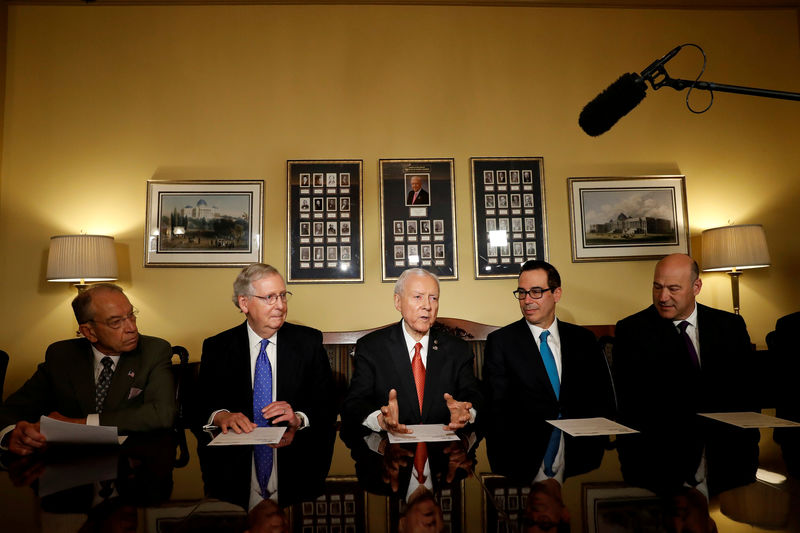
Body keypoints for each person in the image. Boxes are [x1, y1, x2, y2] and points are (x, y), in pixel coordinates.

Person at [0, 283, 176, 456]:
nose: (132, 328)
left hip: (133, 466)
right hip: (70, 469)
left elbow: (161, 413)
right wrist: (10, 435)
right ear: (89, 332)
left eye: (131, 315)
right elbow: (11, 410)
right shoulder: (62, 355)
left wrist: (77, 423)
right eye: (116, 322)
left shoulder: (154, 350)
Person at [613, 253, 755, 429]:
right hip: (664, 441)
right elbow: (632, 404)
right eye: (657, 287)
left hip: (724, 441)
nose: (663, 297)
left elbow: (748, 391)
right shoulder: (631, 331)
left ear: (696, 287)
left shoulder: (731, 326)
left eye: (673, 289)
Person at [198, 263, 336, 435]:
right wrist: (220, 416)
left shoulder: (308, 342)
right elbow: (199, 404)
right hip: (237, 453)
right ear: (244, 303)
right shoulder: (217, 347)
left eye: (283, 296)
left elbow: (328, 404)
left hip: (292, 450)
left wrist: (298, 418)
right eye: (270, 297)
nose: (280, 305)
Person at [341, 268, 483, 434]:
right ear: (398, 302)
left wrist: (467, 413)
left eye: (433, 298)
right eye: (418, 297)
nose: (427, 306)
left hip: (445, 451)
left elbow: (475, 396)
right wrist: (380, 420)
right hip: (389, 450)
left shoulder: (458, 349)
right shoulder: (371, 348)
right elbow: (355, 403)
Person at [483, 260, 615, 425]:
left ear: (556, 294)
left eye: (536, 292)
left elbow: (601, 396)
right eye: (522, 292)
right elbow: (496, 408)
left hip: (579, 443)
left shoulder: (584, 339)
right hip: (527, 444)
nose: (527, 300)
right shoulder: (501, 342)